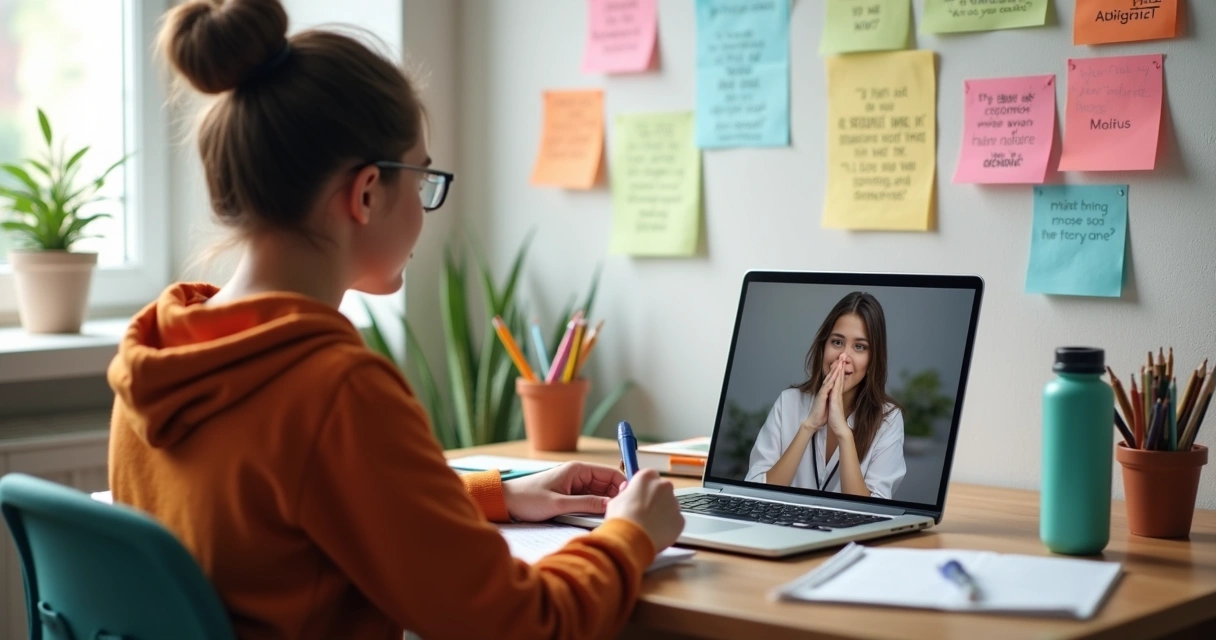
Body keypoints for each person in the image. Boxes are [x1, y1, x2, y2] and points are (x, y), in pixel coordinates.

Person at [106, 1, 683, 639]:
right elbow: (521, 624)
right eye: (423, 176)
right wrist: (631, 534)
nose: (426, 204)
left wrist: (497, 495)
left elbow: (290, 526)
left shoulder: (159, 359)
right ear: (367, 193)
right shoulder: (334, 391)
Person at [745, 292, 906, 499]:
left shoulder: (889, 419)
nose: (843, 357)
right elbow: (754, 492)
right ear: (823, 346)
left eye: (859, 347)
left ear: (873, 358)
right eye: (837, 342)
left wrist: (844, 434)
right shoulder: (789, 402)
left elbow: (873, 512)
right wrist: (808, 426)